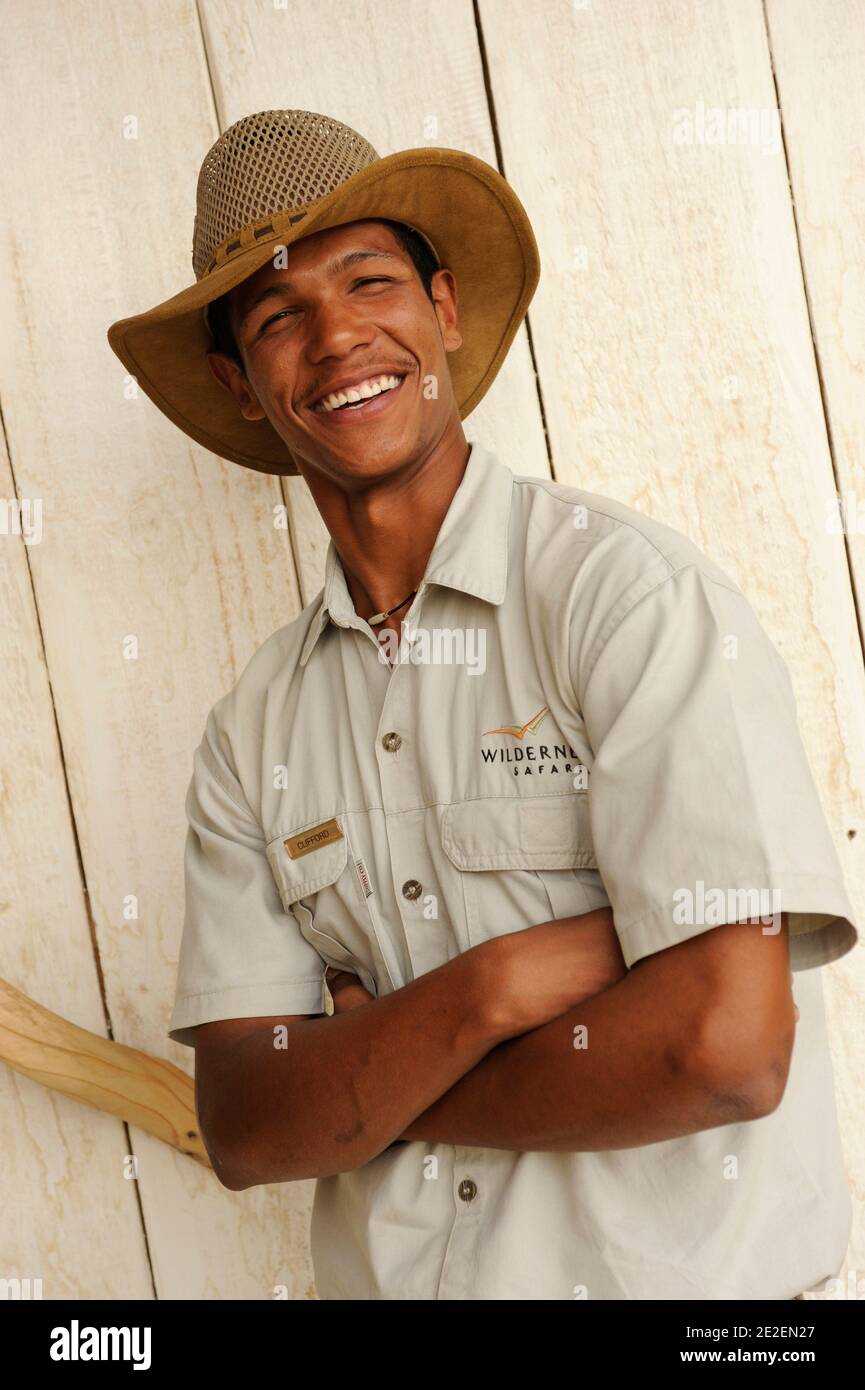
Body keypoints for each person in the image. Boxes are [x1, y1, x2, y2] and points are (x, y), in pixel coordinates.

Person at [108, 109, 859, 1301]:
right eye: (277, 318)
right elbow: (251, 1125)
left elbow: (723, 1048)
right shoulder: (254, 734)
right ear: (239, 385)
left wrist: (374, 1076)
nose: (339, 334)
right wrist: (493, 987)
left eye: (370, 281)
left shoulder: (628, 604)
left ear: (443, 312)